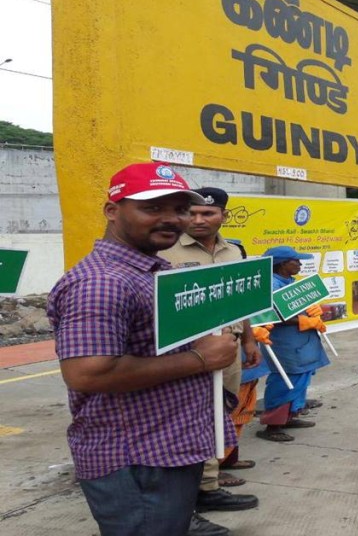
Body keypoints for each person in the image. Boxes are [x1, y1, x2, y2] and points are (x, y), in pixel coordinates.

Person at [47, 162, 239, 536]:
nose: (172, 219)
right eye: (152, 208)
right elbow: (88, 372)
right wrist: (200, 358)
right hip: (138, 459)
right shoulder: (101, 283)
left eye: (179, 209)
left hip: (166, 448)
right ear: (112, 210)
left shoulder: (150, 271)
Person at [158, 187, 260, 533]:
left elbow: (243, 299)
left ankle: (208, 487)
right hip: (184, 353)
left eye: (208, 214)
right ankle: (184, 503)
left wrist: (248, 339)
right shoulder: (163, 250)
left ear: (223, 216)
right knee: (186, 421)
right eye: (193, 213)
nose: (199, 220)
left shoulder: (236, 251)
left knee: (219, 415)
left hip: (228, 348)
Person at [256, 246, 330, 442]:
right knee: (284, 380)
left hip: (300, 342)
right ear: (281, 264)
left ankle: (290, 416)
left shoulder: (289, 282)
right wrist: (303, 320)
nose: (300, 264)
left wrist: (313, 312)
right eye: (295, 261)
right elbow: (272, 315)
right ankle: (273, 425)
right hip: (284, 343)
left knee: (300, 378)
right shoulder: (271, 284)